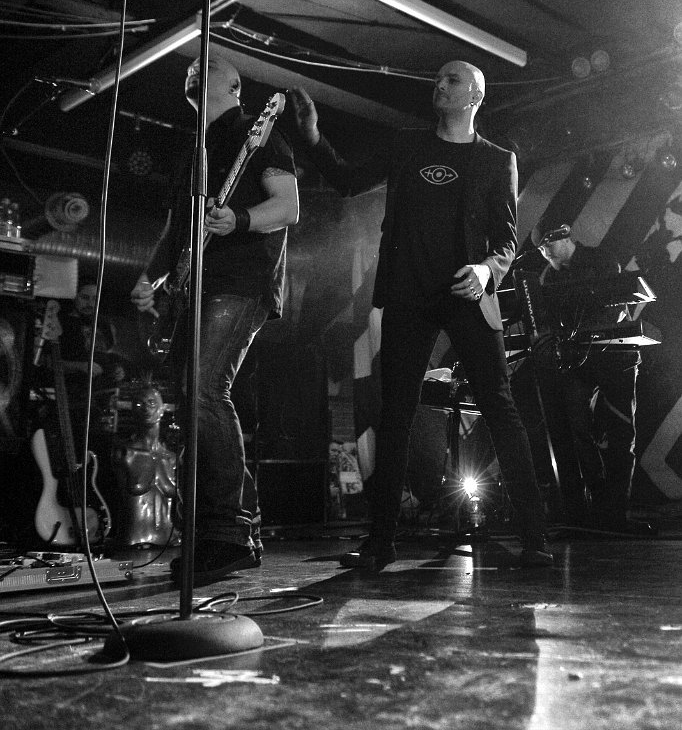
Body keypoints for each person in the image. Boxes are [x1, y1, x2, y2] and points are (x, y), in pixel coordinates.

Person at [290, 61, 552, 570]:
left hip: (466, 295)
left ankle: (534, 537)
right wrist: (313, 137)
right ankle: (380, 542)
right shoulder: (406, 145)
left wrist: (486, 269)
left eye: (452, 80)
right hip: (408, 294)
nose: (439, 84)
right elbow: (347, 180)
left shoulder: (497, 160)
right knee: (395, 414)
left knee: (499, 406)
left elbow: (506, 240)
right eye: (438, 78)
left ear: (475, 96)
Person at [131, 46, 299, 586]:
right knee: (190, 400)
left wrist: (240, 219)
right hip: (196, 288)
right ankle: (212, 530)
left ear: (234, 87)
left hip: (241, 281)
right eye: (191, 65)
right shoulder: (194, 149)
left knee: (205, 389)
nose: (196, 65)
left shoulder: (257, 132)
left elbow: (288, 206)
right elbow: (178, 227)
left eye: (210, 64)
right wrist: (151, 276)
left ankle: (231, 532)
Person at [529, 217, 644, 532]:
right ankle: (596, 502)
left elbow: (609, 304)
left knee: (621, 431)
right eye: (540, 249)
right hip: (579, 360)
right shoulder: (549, 278)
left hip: (615, 356)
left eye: (549, 244)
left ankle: (616, 512)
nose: (545, 252)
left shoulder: (600, 259)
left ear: (565, 237)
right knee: (577, 428)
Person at [112, 382, 178, 549]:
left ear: (162, 409)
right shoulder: (125, 453)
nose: (146, 409)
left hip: (170, 543)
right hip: (133, 542)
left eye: (152, 403)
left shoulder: (172, 458)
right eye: (139, 404)